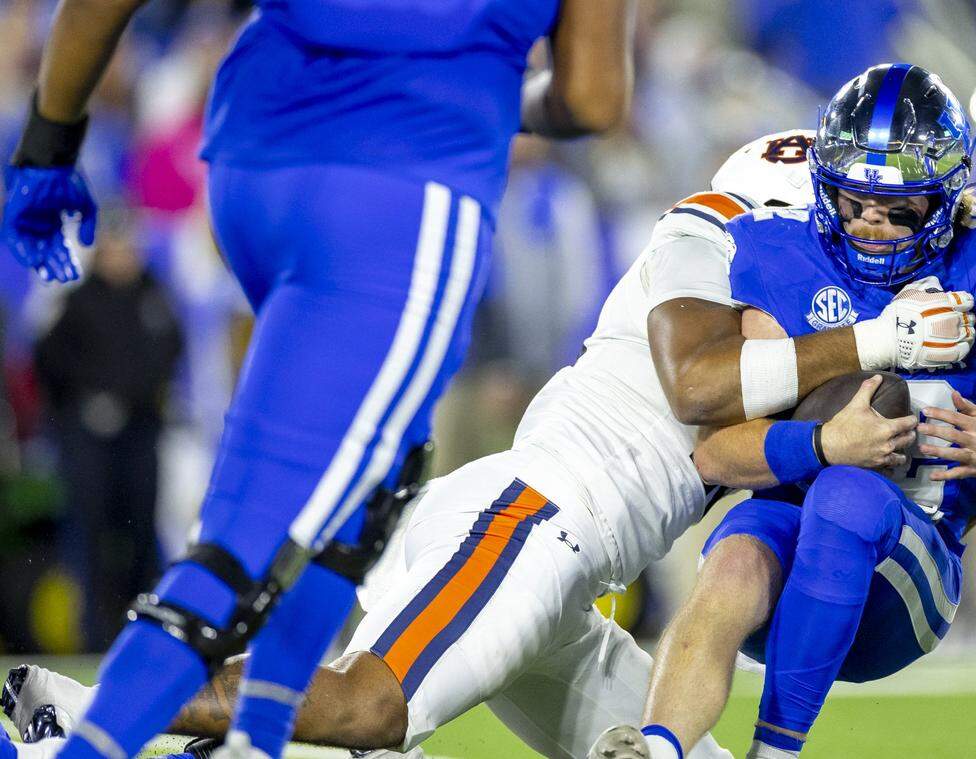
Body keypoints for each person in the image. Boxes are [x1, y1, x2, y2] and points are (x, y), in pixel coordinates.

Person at [3, 128, 976, 758]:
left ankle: (64, 735)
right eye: (831, 218)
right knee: (366, 714)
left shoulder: (766, 299)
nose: (851, 241)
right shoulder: (709, 257)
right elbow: (713, 381)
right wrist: (882, 344)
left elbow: (723, 454)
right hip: (530, 523)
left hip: (563, 573)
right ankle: (91, 714)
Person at [0, 2, 635, 759]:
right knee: (249, 545)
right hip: (404, 179)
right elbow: (592, 97)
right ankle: (73, 746)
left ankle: (253, 743)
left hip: (252, 153)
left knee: (367, 494)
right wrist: (500, 96)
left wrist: (48, 140)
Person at [589, 63, 976, 759]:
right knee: (738, 546)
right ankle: (659, 746)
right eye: (853, 200)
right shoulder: (779, 250)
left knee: (849, 497)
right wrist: (824, 441)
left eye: (899, 205)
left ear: (947, 196)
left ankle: (775, 752)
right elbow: (715, 452)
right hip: (787, 549)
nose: (872, 220)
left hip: (911, 570)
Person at [33, 216, 183, 651]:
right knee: (91, 533)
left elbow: (169, 353)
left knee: (141, 534)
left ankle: (145, 635)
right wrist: (87, 403)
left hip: (138, 433)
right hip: (90, 440)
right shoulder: (77, 302)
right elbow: (49, 362)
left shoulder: (153, 297)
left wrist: (129, 399)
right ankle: (94, 637)